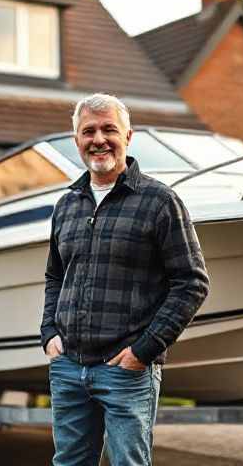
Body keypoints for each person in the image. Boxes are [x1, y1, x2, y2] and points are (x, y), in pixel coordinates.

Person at [40, 93, 210, 466]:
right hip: (68, 365)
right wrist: (49, 332)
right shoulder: (67, 204)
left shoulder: (159, 201)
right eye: (89, 131)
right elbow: (55, 275)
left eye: (108, 129)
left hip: (125, 371)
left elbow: (192, 282)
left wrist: (144, 351)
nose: (98, 139)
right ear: (77, 142)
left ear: (128, 137)